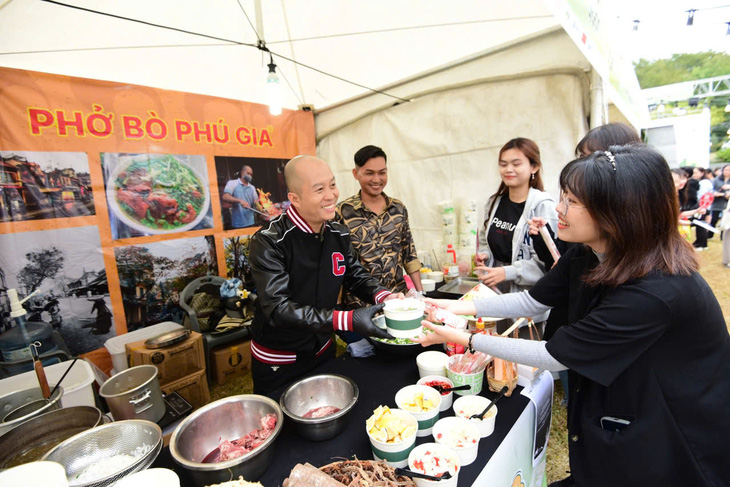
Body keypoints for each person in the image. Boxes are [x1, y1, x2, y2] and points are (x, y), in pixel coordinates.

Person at [413, 145, 730, 487]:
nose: (559, 210)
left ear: (619, 212)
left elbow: (553, 356)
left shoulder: (655, 291)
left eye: (573, 202)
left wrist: (464, 338)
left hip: (677, 434)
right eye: (563, 196)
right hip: (628, 415)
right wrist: (454, 306)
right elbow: (532, 302)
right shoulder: (589, 252)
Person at [248, 155, 397, 394]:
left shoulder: (338, 232)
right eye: (319, 189)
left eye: (333, 185)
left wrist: (383, 295)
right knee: (280, 423)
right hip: (281, 358)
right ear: (294, 199)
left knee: (325, 407)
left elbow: (354, 274)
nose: (331, 195)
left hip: (323, 349)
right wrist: (346, 319)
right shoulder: (270, 241)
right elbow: (277, 309)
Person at [476, 138, 557, 327]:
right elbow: (485, 240)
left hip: (528, 303)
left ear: (534, 167)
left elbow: (550, 263)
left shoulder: (543, 206)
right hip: (494, 291)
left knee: (520, 352)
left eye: (516, 164)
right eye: (503, 164)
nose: (508, 169)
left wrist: (507, 272)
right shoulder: (494, 203)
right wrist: (484, 256)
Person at [335, 145, 422, 310]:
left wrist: (420, 294)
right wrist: (337, 306)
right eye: (369, 173)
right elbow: (338, 263)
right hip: (360, 305)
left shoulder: (398, 208)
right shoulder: (342, 212)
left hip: (398, 300)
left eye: (382, 172)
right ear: (356, 173)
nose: (376, 179)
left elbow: (409, 253)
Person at [709, 164, 730, 240]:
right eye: (725, 170)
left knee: (725, 220)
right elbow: (712, 190)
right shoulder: (716, 180)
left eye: (729, 170)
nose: (727, 172)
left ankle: (723, 236)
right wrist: (719, 194)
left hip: (727, 203)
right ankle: (710, 235)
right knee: (714, 219)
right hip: (717, 202)